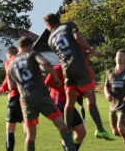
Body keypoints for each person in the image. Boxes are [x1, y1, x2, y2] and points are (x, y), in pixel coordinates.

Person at [8, 36, 84, 151]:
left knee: (30, 135)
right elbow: (47, 63)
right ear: (30, 46)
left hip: (25, 99)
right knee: (61, 125)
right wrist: (55, 78)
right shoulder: (32, 54)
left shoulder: (11, 64)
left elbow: (12, 86)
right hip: (42, 96)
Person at [44, 13, 115, 141]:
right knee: (91, 98)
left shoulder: (50, 40)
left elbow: (66, 51)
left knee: (69, 103)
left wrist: (83, 50)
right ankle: (100, 129)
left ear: (48, 25)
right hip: (79, 66)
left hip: (66, 70)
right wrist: (91, 50)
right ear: (58, 20)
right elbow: (77, 38)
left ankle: (67, 132)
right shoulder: (68, 25)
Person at [0, 46, 36, 151]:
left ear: (8, 55)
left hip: (15, 98)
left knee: (10, 130)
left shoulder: (9, 62)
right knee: (28, 130)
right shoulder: (26, 60)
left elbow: (9, 80)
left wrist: (0, 90)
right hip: (29, 97)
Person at [45, 63, 86, 151]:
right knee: (67, 132)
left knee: (81, 132)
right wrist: (58, 84)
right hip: (59, 103)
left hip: (69, 103)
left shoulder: (77, 68)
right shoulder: (58, 68)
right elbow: (47, 83)